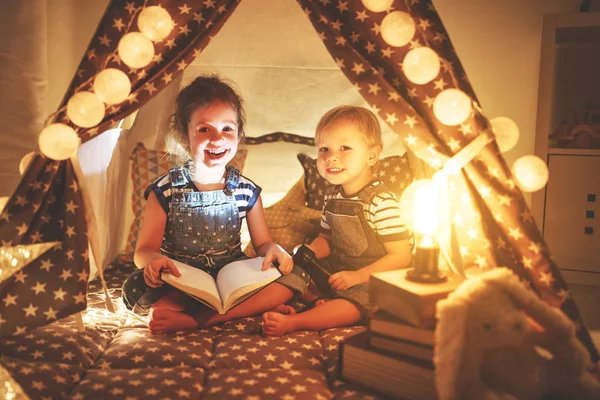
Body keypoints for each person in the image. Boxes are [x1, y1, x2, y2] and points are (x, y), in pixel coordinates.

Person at [121, 75, 309, 334]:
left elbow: (262, 244)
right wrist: (153, 263)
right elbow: (143, 251)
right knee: (134, 287)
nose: (217, 138)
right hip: (183, 279)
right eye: (204, 129)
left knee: (295, 275)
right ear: (185, 136)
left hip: (232, 274)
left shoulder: (247, 190)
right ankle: (241, 308)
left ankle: (200, 319)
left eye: (227, 129)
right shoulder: (165, 189)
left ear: (239, 134)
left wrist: (274, 249)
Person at [262, 106, 413, 336]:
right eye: (324, 149)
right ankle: (303, 302)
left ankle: (297, 322)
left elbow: (401, 256)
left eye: (345, 148)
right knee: (293, 273)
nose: (331, 157)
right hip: (339, 270)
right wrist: (309, 252)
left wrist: (358, 277)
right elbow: (327, 240)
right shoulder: (332, 196)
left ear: (372, 155)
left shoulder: (382, 202)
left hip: (373, 277)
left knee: (359, 301)